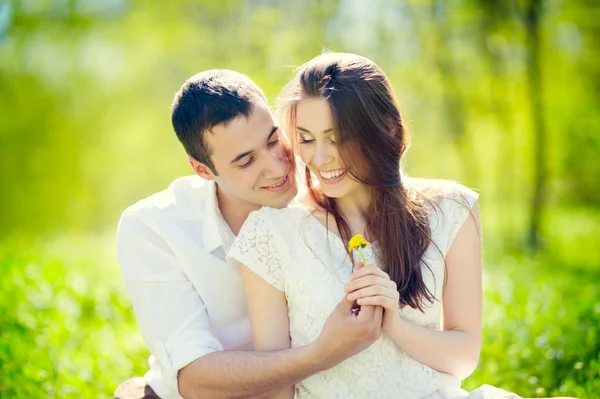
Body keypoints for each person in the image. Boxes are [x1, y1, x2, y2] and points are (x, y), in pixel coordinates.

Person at [227, 52, 576, 399]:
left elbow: (463, 360)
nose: (320, 158)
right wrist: (327, 347)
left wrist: (393, 324)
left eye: (337, 138)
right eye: (306, 139)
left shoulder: (450, 209)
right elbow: (272, 390)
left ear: (387, 128)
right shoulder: (272, 232)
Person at [115, 69, 382, 399]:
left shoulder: (327, 178)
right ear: (202, 170)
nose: (278, 167)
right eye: (246, 161)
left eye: (273, 141)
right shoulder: (154, 227)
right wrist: (322, 354)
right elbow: (194, 378)